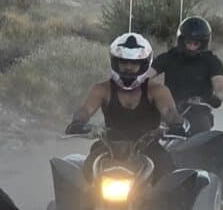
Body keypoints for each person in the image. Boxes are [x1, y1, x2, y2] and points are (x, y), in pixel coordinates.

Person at [66, 32, 186, 178]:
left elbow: (169, 112)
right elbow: (85, 110)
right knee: (88, 170)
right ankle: (83, 202)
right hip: (109, 146)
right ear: (115, 62)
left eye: (134, 63)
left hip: (148, 147)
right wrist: (78, 122)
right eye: (123, 62)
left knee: (167, 172)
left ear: (144, 64)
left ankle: (163, 202)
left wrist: (176, 124)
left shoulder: (157, 90)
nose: (128, 67)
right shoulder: (102, 89)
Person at [151, 17, 223, 132]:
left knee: (201, 127)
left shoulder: (212, 61)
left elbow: (221, 87)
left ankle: (202, 149)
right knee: (148, 127)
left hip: (198, 112)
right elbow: (147, 74)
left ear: (203, 43)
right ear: (182, 41)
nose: (191, 47)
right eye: (188, 43)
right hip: (169, 111)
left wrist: (215, 98)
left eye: (195, 43)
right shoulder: (169, 57)